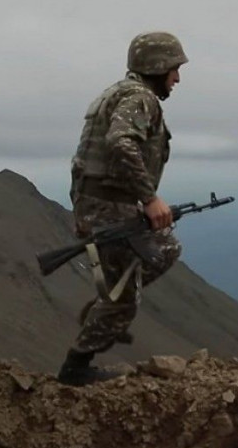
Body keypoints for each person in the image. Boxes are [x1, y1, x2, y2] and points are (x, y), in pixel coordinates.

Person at [57, 32, 188, 386]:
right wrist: (149, 198)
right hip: (109, 208)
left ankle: (105, 310)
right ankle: (77, 367)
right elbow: (120, 142)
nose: (177, 78)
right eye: (174, 69)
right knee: (125, 294)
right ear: (157, 66)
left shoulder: (119, 93)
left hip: (100, 203)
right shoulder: (140, 98)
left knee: (164, 249)